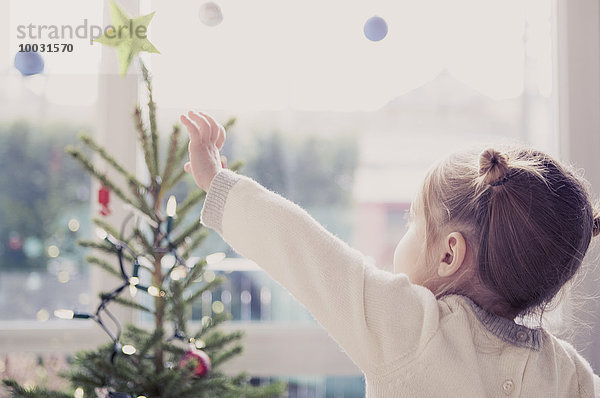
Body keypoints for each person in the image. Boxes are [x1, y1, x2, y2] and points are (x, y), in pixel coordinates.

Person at [180, 110, 600, 397]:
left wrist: (218, 182)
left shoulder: (412, 327)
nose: (405, 236)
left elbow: (305, 251)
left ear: (450, 254)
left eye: (412, 223)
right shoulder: (571, 375)